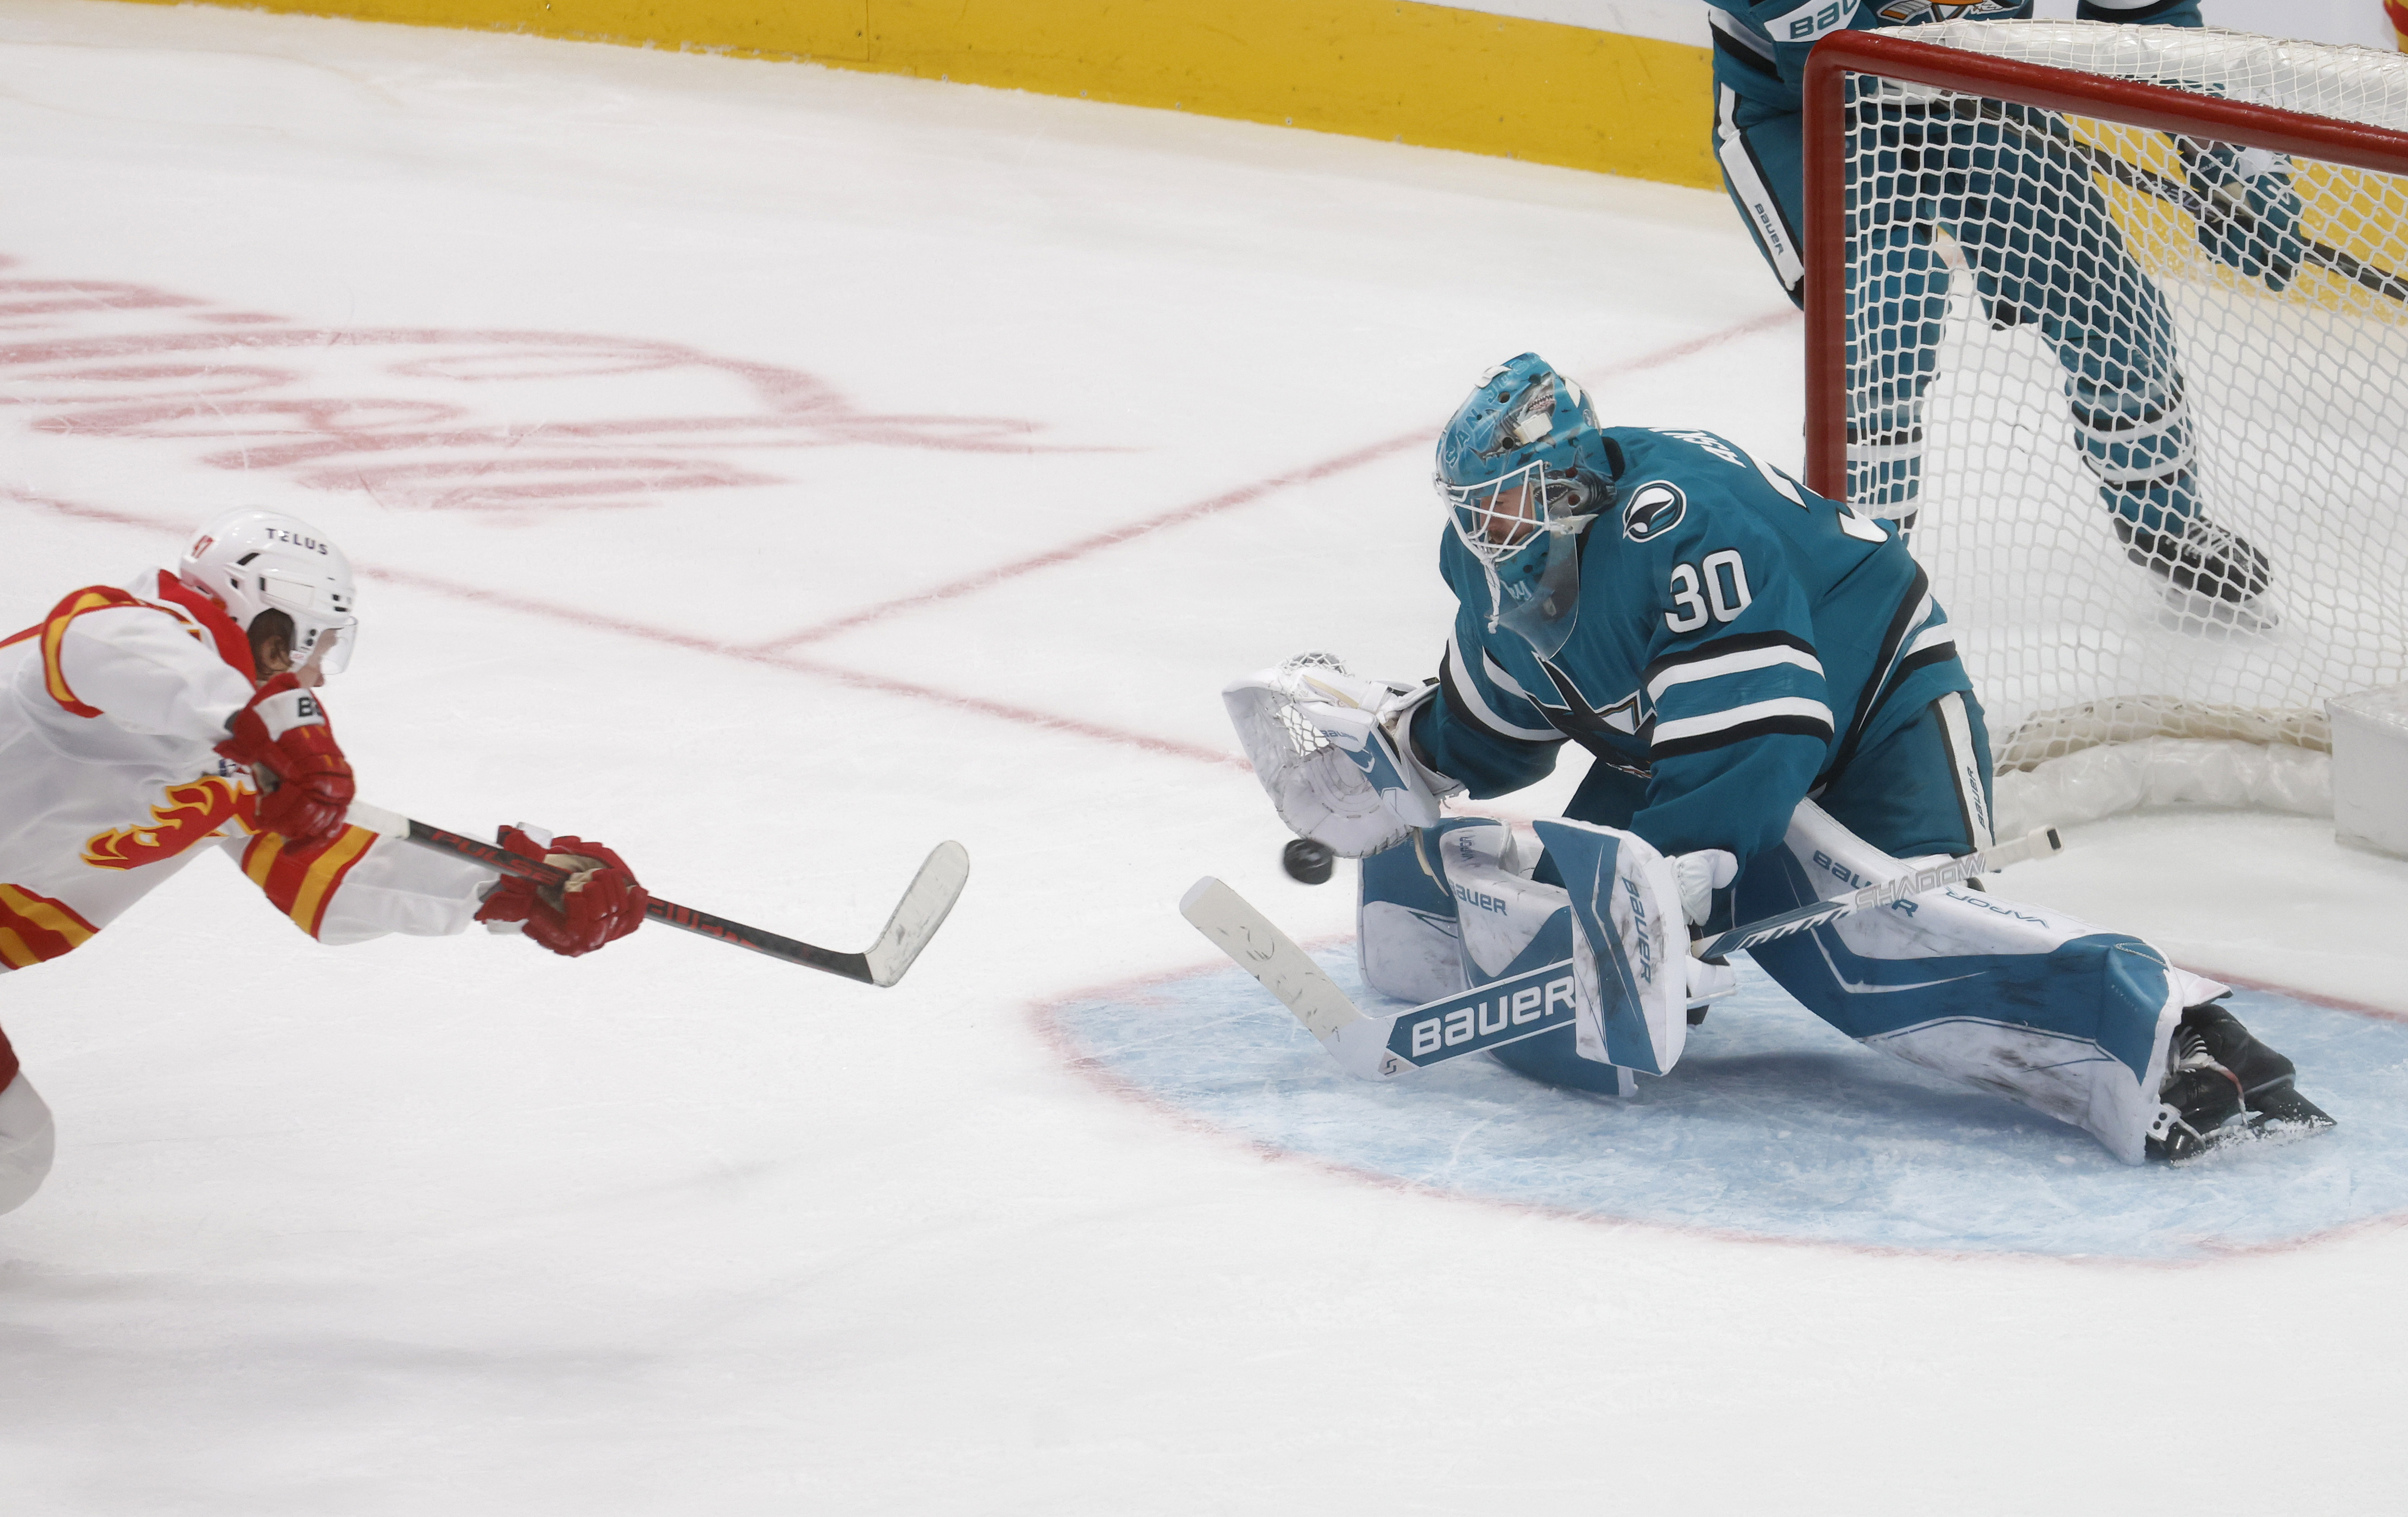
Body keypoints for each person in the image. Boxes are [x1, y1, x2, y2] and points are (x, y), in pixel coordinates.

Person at [1228, 355, 2330, 1162]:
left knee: (1879, 949)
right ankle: (1519, 938)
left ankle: (2179, 1038)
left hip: (1879, 704)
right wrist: (1400, 759)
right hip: (1699, 739)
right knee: (1586, 891)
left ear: (1567, 482)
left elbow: (1764, 740)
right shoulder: (1491, 566)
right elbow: (1502, 711)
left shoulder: (1680, 527)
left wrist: (1676, 882)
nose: (1487, 529)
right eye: (1473, 507)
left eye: (1509, 500)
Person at [0, 509, 647, 1215]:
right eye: (319, 648)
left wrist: (514, 888)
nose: (319, 677)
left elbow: (331, 869)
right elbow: (112, 642)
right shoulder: (125, 634)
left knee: (14, 1145)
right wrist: (259, 720)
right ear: (277, 625)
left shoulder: (246, 749)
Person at [1705, 0, 2302, 603]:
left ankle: (2168, 522)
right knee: (1879, 321)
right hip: (1805, 106)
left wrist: (2231, 156)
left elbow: (2153, 15)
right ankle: (1853, 573)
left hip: (1982, 98)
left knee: (2110, 307)